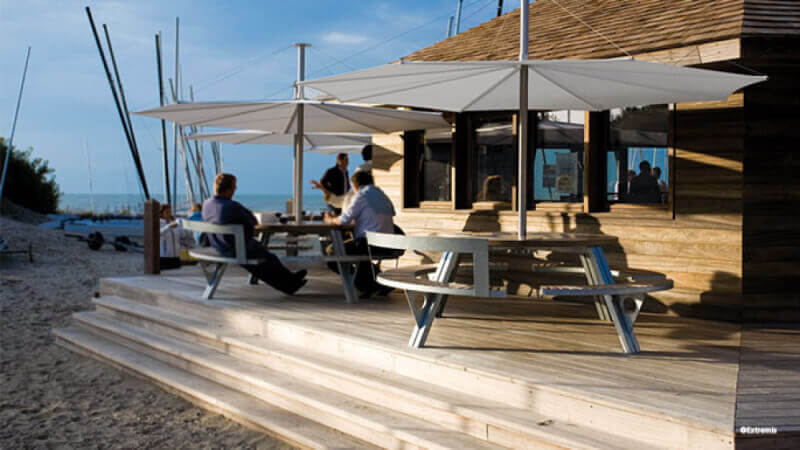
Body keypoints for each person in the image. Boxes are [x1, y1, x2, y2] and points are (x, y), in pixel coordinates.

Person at [202, 173, 307, 295]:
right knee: (267, 258)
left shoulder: (206, 204)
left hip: (219, 245)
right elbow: (253, 221)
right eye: (234, 188)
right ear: (229, 189)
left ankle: (290, 281)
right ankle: (289, 284)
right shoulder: (232, 206)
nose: (234, 191)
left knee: (261, 257)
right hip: (234, 248)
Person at [323, 170, 396, 298]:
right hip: (389, 244)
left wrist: (330, 220)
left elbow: (344, 220)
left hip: (369, 243)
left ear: (356, 185)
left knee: (332, 252)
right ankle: (378, 283)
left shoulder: (362, 195)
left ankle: (370, 285)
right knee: (359, 257)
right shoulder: (382, 195)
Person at [159, 204, 194, 270]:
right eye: (167, 212)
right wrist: (169, 226)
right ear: (161, 213)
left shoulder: (175, 224)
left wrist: (190, 228)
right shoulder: (159, 223)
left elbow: (184, 234)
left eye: (170, 212)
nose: (169, 214)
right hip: (164, 257)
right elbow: (159, 233)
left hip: (176, 257)